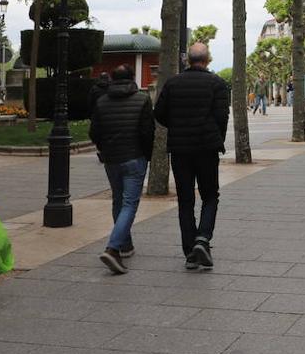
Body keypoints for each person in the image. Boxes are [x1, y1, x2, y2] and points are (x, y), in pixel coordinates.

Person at [154, 42, 229, 270]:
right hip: (206, 148)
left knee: (185, 200)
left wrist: (176, 126)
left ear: (188, 61)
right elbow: (221, 117)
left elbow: (159, 113)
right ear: (207, 60)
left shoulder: (172, 83)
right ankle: (203, 239)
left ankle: (190, 252)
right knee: (210, 195)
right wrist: (216, 138)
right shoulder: (217, 83)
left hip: (180, 150)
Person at [89, 64, 155, 275]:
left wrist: (104, 149)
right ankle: (113, 248)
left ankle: (125, 245)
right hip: (135, 157)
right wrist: (147, 155)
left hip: (112, 159)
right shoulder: (142, 100)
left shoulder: (101, 102)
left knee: (118, 199)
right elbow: (147, 132)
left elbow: (94, 132)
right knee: (129, 204)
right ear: (132, 77)